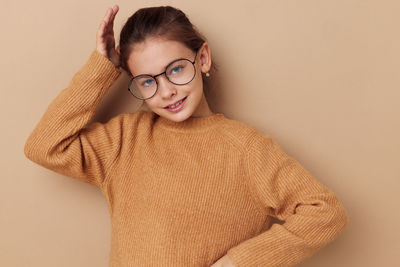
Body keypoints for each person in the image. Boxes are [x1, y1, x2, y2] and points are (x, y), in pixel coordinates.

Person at [24, 4, 349, 267]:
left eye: (176, 69)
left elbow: (325, 212)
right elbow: (44, 147)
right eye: (148, 81)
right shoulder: (125, 139)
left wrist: (239, 262)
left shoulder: (246, 149)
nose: (166, 91)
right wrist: (102, 67)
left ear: (202, 58)